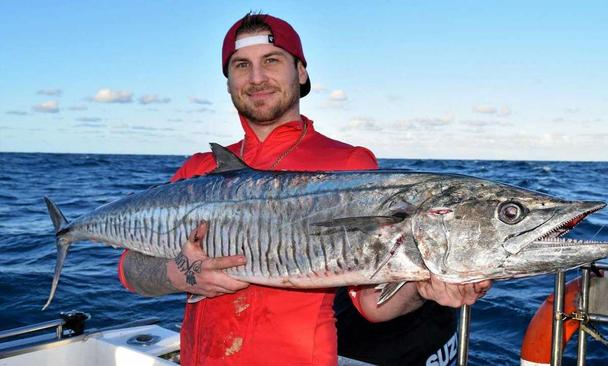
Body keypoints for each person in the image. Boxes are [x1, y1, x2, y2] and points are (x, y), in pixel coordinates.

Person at [118, 12, 491, 365]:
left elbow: (372, 305)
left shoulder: (347, 165)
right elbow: (128, 269)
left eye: (272, 60)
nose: (257, 77)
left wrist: (421, 285)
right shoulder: (200, 168)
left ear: (301, 71)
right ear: (229, 81)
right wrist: (179, 274)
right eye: (241, 65)